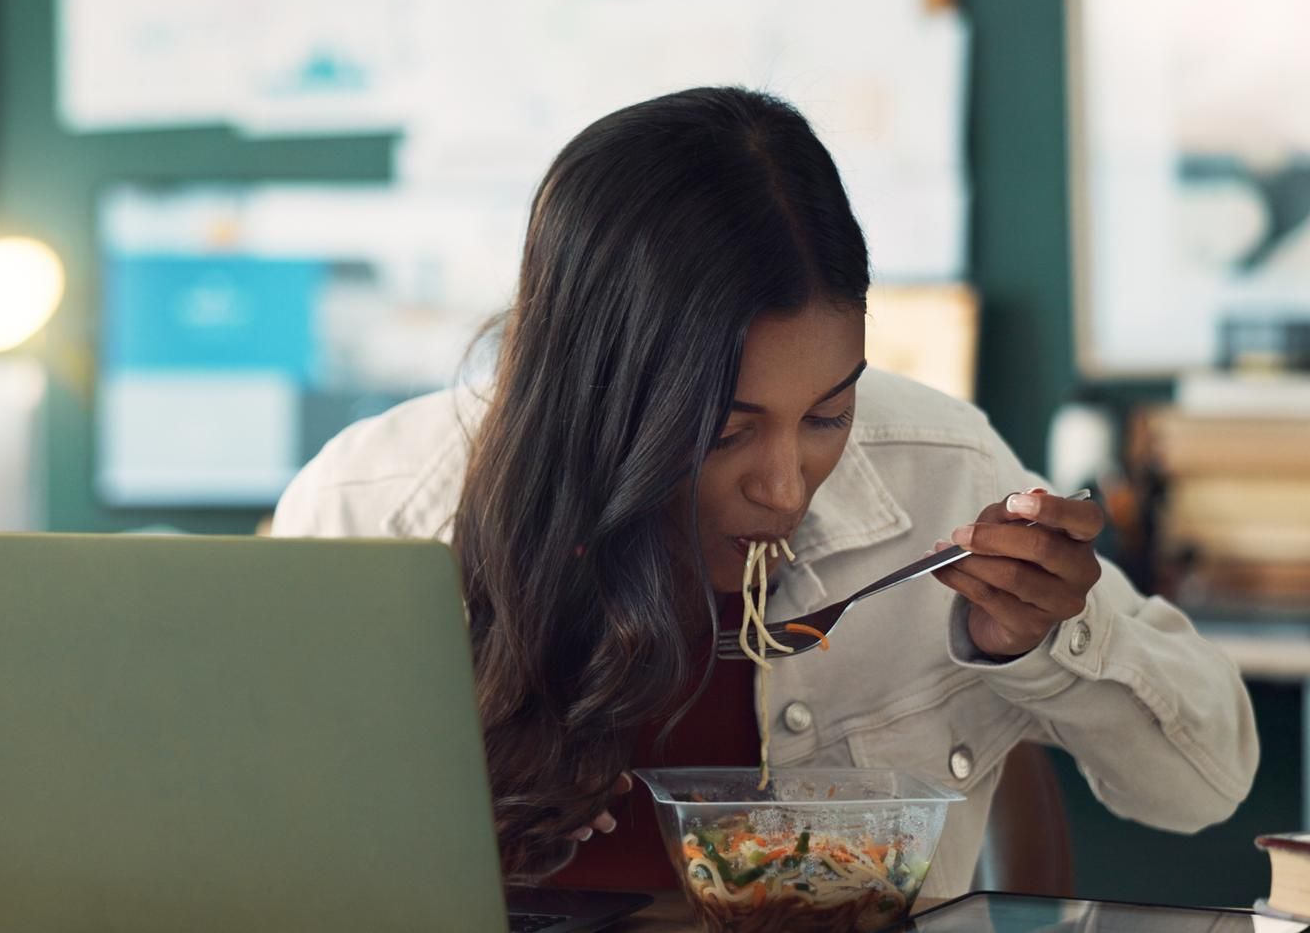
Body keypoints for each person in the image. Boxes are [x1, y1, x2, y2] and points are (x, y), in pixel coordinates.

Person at [270, 87, 1256, 895]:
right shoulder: (377, 516)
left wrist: (1045, 639)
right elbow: (257, 859)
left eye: (827, 414)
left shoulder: (940, 475)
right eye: (726, 430)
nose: (785, 484)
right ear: (596, 392)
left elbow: (1201, 783)